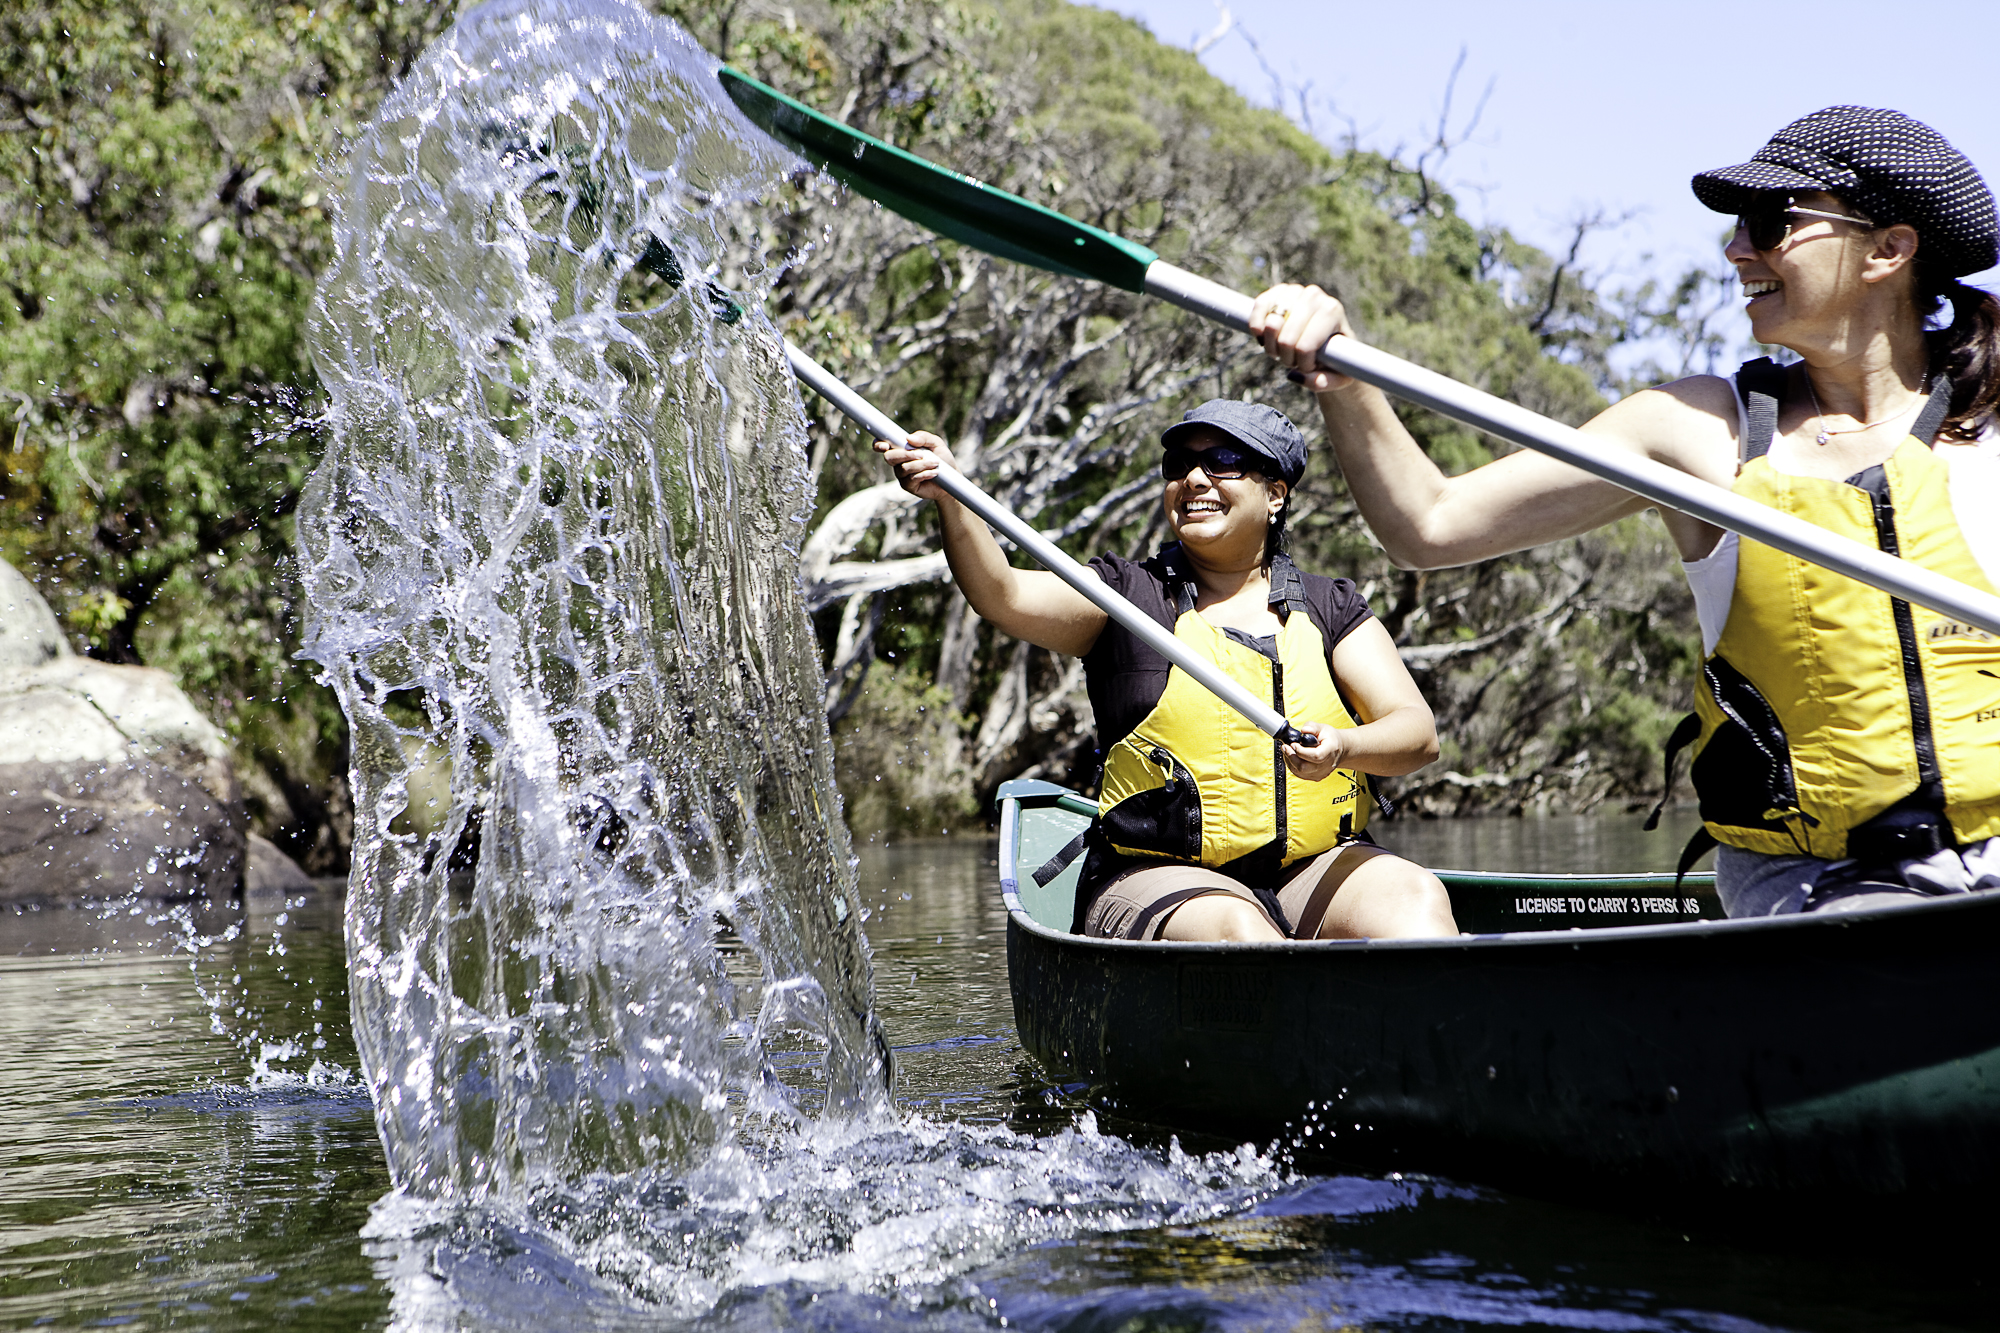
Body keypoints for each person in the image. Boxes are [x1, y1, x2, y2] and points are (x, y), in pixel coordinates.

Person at [1251, 105, 2000, 917]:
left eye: (1771, 221)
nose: (1737, 248)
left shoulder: (1990, 430)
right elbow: (1429, 525)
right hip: (1825, 889)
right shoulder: (1698, 432)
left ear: (1889, 248)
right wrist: (1346, 376)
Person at [875, 399, 1457, 941]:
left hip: (1309, 866)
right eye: (1179, 465)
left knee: (1416, 899)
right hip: (1154, 873)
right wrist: (951, 494)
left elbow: (1415, 734)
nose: (1195, 480)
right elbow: (1002, 594)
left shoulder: (1330, 607)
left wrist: (1344, 747)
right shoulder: (1126, 597)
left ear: (1275, 494)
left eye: (1224, 462)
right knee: (1240, 929)